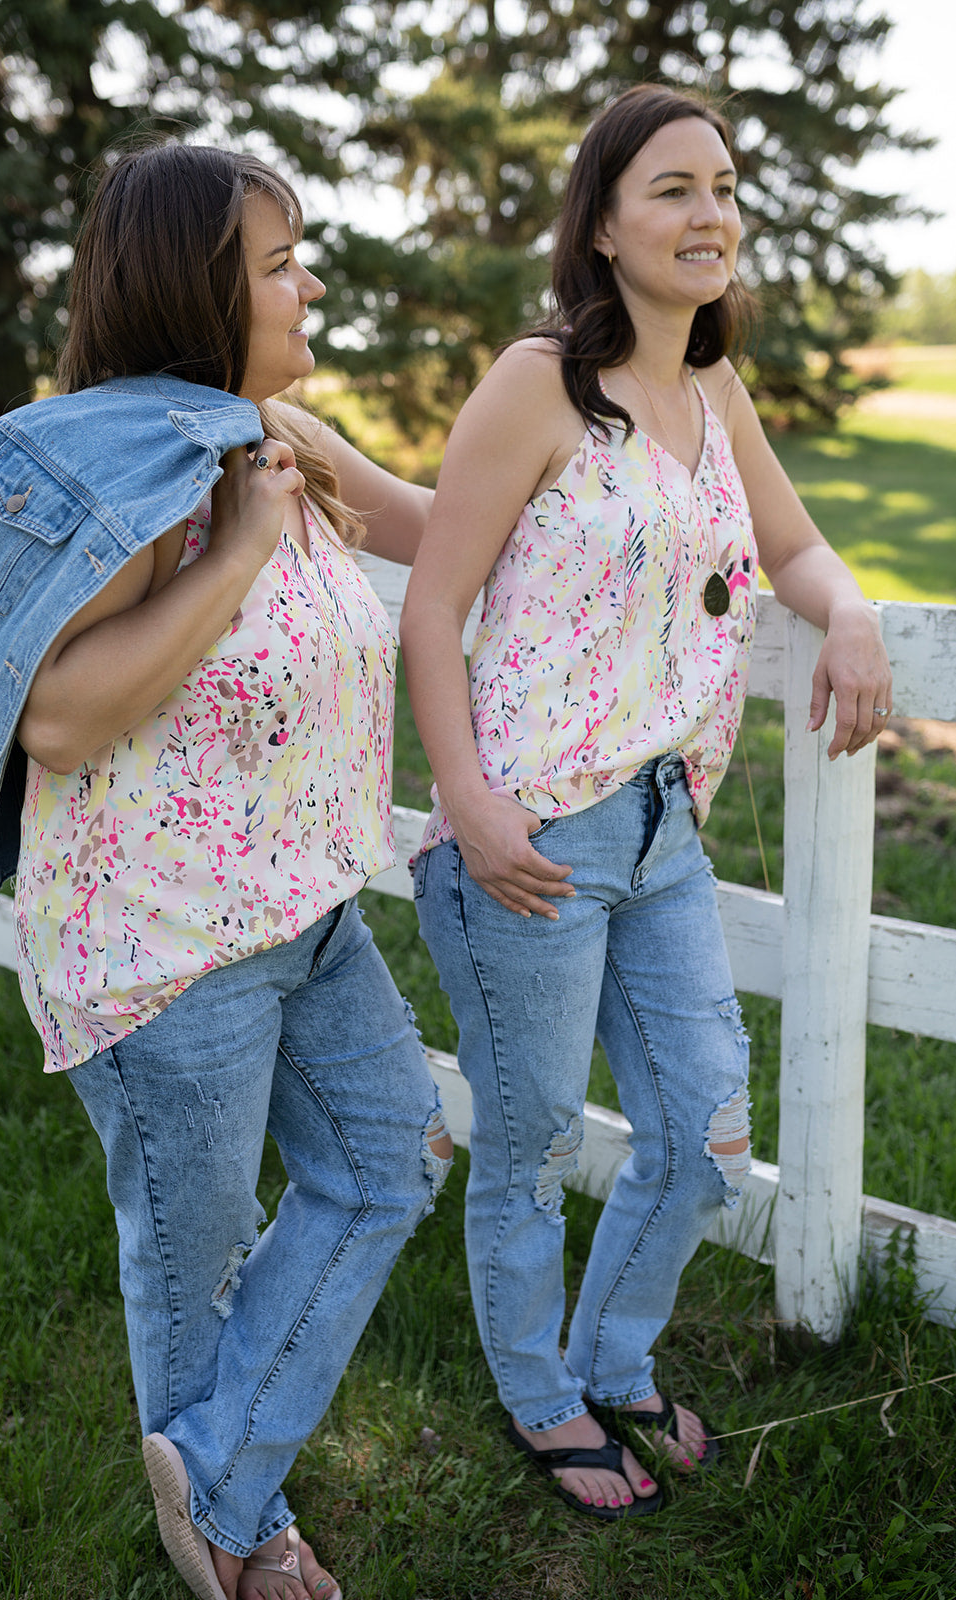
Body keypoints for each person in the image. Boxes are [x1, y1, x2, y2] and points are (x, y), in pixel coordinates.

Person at [399, 83, 891, 1522]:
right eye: (672, 188)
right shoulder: (537, 381)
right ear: (603, 226)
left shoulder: (712, 391)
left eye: (725, 187)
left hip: (665, 826)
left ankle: (607, 1355)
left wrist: (848, 611)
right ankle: (539, 1397)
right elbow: (436, 609)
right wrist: (470, 807)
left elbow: (792, 547)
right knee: (534, 1135)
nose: (710, 213)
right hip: (530, 837)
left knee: (703, 1133)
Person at [2, 142, 453, 1600]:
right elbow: (61, 716)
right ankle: (243, 1540)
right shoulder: (121, 465)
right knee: (192, 1265)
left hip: (304, 911)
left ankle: (221, 1472)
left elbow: (448, 532)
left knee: (388, 1160)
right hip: (164, 945)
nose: (307, 279)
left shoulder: (276, 430)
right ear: (192, 289)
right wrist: (241, 547)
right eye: (278, 261)